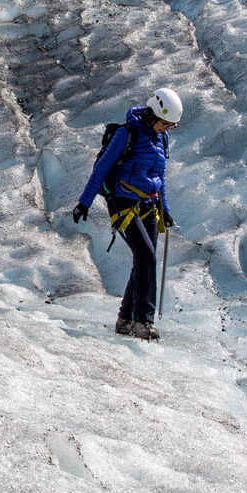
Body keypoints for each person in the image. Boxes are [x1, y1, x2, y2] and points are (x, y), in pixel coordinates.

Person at [72, 87, 182, 340]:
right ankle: (143, 322)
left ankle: (125, 319)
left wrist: (165, 211)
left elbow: (160, 178)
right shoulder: (127, 133)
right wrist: (84, 203)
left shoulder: (160, 139)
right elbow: (102, 168)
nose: (167, 128)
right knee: (146, 257)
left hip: (149, 205)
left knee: (145, 258)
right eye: (165, 123)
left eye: (171, 125)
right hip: (124, 203)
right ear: (153, 114)